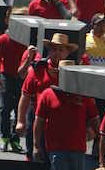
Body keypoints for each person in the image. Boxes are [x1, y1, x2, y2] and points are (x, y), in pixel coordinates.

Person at [15, 33, 76, 161]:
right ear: (49, 50)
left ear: (67, 53)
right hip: (38, 120)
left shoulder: (74, 73)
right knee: (34, 157)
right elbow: (25, 95)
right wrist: (21, 121)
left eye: (61, 50)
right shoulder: (38, 69)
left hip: (63, 124)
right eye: (54, 49)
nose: (57, 53)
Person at [34, 82, 99, 170]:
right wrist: (36, 146)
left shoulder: (84, 96)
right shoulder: (48, 94)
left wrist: (96, 135)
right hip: (56, 149)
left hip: (78, 149)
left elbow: (94, 119)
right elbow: (39, 121)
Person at [0, 26, 27, 152]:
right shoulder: (3, 39)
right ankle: (5, 138)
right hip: (6, 76)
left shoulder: (26, 39)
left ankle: (15, 139)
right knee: (4, 109)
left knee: (20, 110)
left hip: (21, 77)